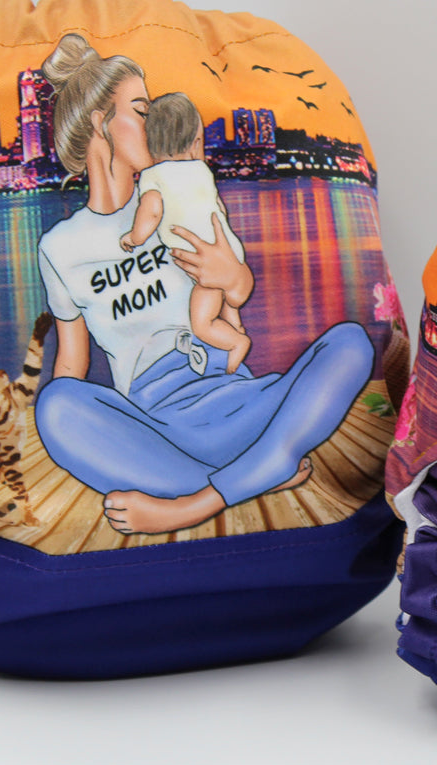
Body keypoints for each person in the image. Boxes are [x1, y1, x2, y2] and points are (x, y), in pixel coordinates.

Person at [33, 34, 373, 535]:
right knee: (57, 405)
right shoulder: (60, 247)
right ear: (102, 123)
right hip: (158, 429)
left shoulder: (181, 192)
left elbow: (237, 288)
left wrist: (231, 275)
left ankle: (192, 503)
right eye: (142, 110)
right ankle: (260, 470)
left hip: (245, 401)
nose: (156, 121)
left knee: (351, 344)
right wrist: (70, 425)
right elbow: (71, 365)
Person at [119, 91, 250, 374]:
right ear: (195, 143)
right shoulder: (202, 170)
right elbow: (218, 208)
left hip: (200, 261)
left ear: (149, 144)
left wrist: (134, 237)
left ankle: (236, 342)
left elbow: (152, 212)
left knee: (202, 324)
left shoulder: (153, 176)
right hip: (228, 249)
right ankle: (235, 321)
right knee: (223, 297)